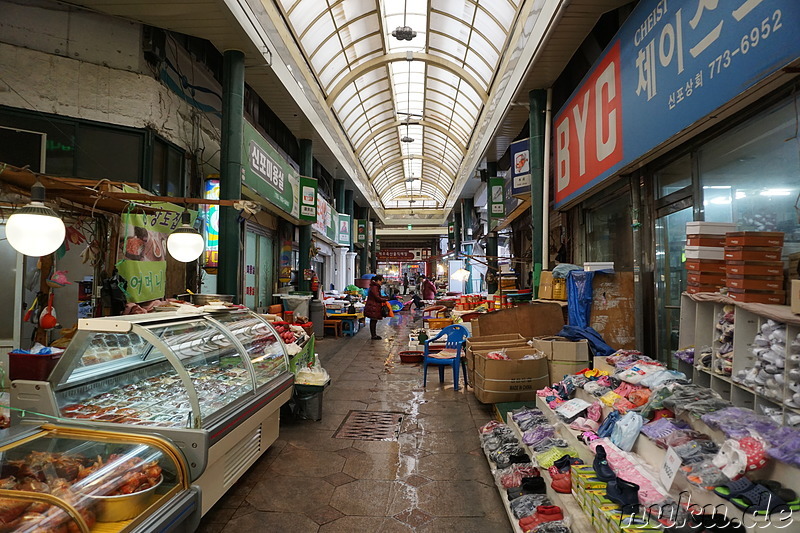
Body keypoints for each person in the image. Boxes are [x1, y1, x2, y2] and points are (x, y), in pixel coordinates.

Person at [364, 274, 389, 340]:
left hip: (374, 305)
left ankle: (374, 335)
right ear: (378, 281)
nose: (381, 283)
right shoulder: (375, 287)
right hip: (373, 306)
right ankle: (373, 335)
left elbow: (378, 296)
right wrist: (385, 299)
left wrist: (384, 298)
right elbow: (377, 297)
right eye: (381, 281)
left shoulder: (375, 286)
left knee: (374, 320)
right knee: (373, 320)